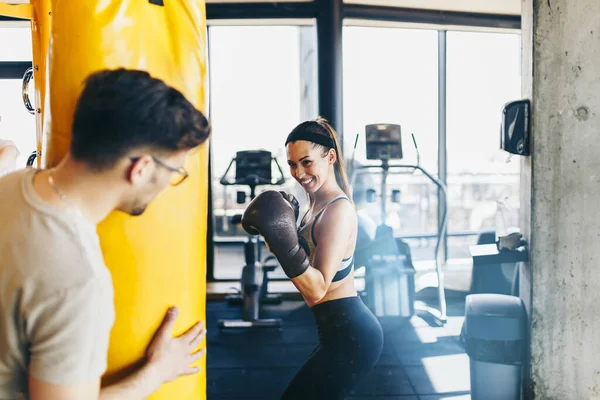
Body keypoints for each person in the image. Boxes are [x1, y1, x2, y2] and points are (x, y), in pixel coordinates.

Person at [0, 68, 211, 399]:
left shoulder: (10, 185)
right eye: (174, 172)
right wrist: (156, 373)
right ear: (140, 169)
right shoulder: (77, 278)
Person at [241, 117, 384, 400]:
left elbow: (317, 289)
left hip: (352, 336)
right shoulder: (313, 205)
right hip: (335, 333)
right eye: (293, 164)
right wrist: (281, 239)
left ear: (330, 157)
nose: (298, 172)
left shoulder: (337, 211)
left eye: (307, 162)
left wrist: (285, 245)